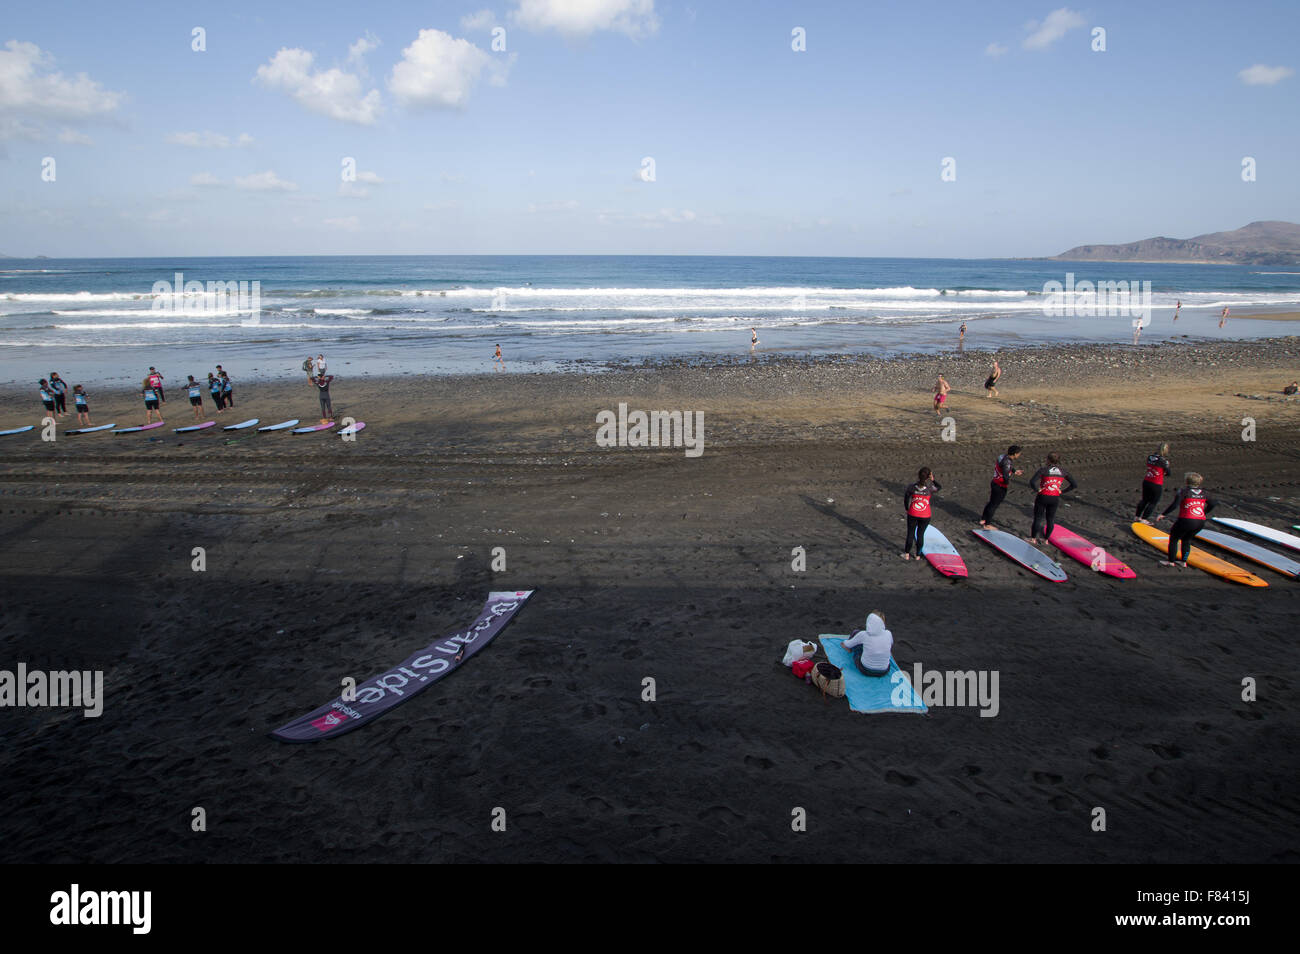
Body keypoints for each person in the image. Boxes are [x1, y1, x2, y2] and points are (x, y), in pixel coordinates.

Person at [1155, 473, 1215, 568]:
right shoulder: (1204, 493)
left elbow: (1175, 505)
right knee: (1187, 540)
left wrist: (1163, 514)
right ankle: (1183, 562)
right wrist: (1204, 512)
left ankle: (1171, 562)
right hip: (1200, 522)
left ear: (1186, 481)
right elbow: (1212, 504)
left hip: (1186, 520)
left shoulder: (1183, 491)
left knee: (1174, 539)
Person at [1028, 452, 1076, 544]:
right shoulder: (1063, 471)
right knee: (1050, 519)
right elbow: (1074, 485)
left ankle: (1033, 539)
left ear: (1048, 460)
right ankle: (1046, 540)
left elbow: (1032, 482)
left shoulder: (1043, 470)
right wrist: (1062, 491)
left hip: (1043, 496)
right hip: (1054, 498)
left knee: (1038, 518)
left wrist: (1037, 489)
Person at [902, 467, 941, 561]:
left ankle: (906, 554)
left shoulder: (911, 487)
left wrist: (907, 509)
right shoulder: (930, 488)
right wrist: (933, 480)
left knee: (910, 534)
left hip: (913, 513)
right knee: (920, 535)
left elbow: (906, 499)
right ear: (928, 477)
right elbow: (939, 487)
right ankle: (918, 555)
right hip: (925, 515)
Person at [980, 444, 1023, 528]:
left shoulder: (1002, 456)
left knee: (991, 502)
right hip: (1000, 485)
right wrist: (1006, 483)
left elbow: (1006, 467)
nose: (1019, 455)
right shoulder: (1007, 462)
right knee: (994, 505)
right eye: (1019, 453)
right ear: (1015, 454)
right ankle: (987, 524)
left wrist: (1014, 471)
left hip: (994, 482)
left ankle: (983, 519)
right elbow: (1006, 474)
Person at [842, 611, 893, 677]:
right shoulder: (888, 633)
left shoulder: (863, 634)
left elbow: (847, 644)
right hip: (884, 671)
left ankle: (852, 650)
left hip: (865, 670)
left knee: (856, 635)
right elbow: (891, 644)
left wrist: (844, 643)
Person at [1135, 443, 1171, 524]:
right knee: (1153, 502)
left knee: (1144, 500)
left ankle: (1137, 516)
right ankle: (1144, 519)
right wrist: (1167, 466)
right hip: (1156, 483)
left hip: (1147, 480)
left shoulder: (1150, 457)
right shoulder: (1164, 461)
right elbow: (1168, 473)